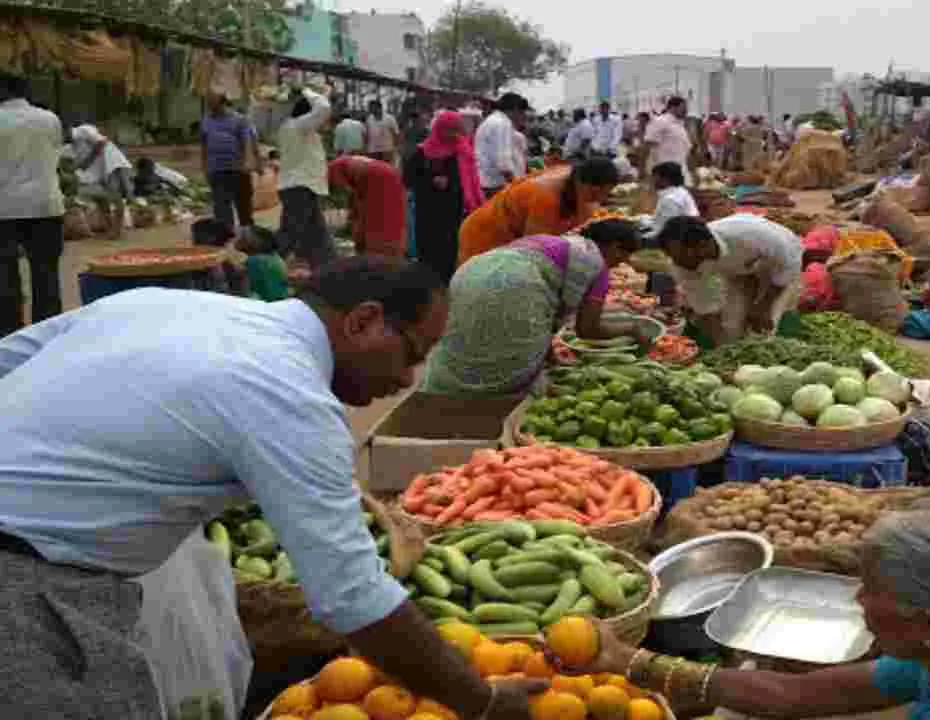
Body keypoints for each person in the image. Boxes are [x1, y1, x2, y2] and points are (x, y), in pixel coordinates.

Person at [0, 257, 546, 717]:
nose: (407, 381)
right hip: (25, 589)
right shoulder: (289, 395)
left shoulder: (155, 305)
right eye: (411, 354)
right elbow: (353, 600)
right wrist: (483, 703)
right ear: (363, 320)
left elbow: (7, 360)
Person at [565, 512, 930, 720]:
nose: (858, 600)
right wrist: (631, 661)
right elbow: (796, 695)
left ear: (927, 625)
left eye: (871, 588)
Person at [421, 219, 645, 398]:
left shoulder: (561, 243)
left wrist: (550, 357)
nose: (621, 263)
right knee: (511, 370)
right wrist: (632, 328)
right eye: (625, 256)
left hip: (473, 270)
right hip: (518, 284)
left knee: (467, 337)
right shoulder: (596, 264)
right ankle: (488, 405)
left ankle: (446, 394)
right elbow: (588, 329)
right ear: (615, 247)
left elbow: (547, 317)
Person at [658, 214, 803, 344]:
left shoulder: (752, 235)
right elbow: (705, 307)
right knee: (732, 325)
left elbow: (786, 267)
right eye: (672, 256)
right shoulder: (682, 265)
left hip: (779, 264)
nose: (676, 263)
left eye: (680, 256)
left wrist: (763, 306)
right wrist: (722, 344)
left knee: (764, 326)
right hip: (738, 270)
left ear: (702, 246)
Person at [457, 157, 620, 265]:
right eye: (594, 194)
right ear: (580, 182)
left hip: (510, 239)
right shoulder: (546, 196)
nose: (597, 201)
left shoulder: (577, 185)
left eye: (604, 195)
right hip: (485, 236)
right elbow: (533, 250)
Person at [0, 71, 64, 337]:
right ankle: (47, 333)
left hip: (4, 207)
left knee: (4, 275)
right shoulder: (50, 119)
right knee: (45, 272)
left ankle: (9, 332)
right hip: (45, 204)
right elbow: (55, 153)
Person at [404, 110, 484, 282]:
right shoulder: (422, 153)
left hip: (456, 212)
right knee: (430, 256)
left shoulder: (463, 151)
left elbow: (472, 180)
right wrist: (430, 181)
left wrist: (477, 202)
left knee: (453, 253)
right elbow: (408, 179)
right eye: (449, 130)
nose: (453, 135)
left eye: (456, 130)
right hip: (430, 214)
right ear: (439, 129)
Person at [277, 86, 335, 269]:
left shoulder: (291, 127)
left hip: (301, 187)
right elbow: (324, 108)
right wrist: (307, 90)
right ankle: (264, 262)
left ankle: (328, 268)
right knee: (290, 234)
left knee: (317, 234)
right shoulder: (300, 126)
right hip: (300, 187)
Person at [200, 91, 260, 232]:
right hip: (216, 169)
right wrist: (204, 166)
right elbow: (204, 144)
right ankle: (226, 236)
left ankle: (248, 236)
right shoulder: (206, 120)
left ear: (222, 102)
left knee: (244, 206)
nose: (208, 106)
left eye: (211, 103)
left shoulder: (240, 120)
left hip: (237, 169)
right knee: (221, 207)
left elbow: (246, 143)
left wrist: (247, 162)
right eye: (208, 103)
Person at [327, 155, 407, 258]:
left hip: (375, 177)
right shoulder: (342, 162)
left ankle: (376, 258)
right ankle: (391, 256)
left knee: (376, 222)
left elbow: (349, 194)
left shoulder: (330, 171)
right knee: (391, 218)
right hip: (390, 173)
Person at [70, 123, 133, 239]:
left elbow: (101, 143)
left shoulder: (83, 130)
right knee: (100, 198)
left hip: (110, 159)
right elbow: (80, 162)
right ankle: (110, 227)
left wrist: (86, 163)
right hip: (97, 167)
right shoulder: (70, 145)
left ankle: (117, 230)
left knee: (115, 194)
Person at [475, 92, 528, 197]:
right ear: (515, 110)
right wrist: (517, 185)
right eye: (522, 112)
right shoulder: (503, 123)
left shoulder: (492, 120)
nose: (522, 116)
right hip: (495, 184)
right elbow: (503, 163)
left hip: (486, 181)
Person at [647, 161, 699, 241]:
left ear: (665, 180)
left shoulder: (670, 200)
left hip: (676, 240)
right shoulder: (681, 191)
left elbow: (666, 231)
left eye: (655, 177)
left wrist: (643, 237)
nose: (652, 181)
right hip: (685, 234)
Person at [235, 224, 290, 301]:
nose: (238, 238)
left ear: (256, 242)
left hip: (269, 304)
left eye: (243, 236)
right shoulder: (275, 257)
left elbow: (245, 293)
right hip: (281, 302)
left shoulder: (255, 261)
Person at [644, 96, 691, 182]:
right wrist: (643, 171)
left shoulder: (680, 125)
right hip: (664, 172)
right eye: (683, 108)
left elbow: (685, 150)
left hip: (681, 169)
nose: (686, 111)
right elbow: (647, 145)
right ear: (673, 107)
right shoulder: (660, 121)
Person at [364, 99, 400, 164]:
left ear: (379, 107)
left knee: (387, 168)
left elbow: (396, 134)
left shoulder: (390, 118)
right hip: (373, 150)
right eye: (369, 107)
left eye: (372, 107)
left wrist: (395, 148)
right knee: (375, 170)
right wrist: (366, 148)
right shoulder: (369, 119)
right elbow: (367, 135)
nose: (370, 109)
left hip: (387, 149)